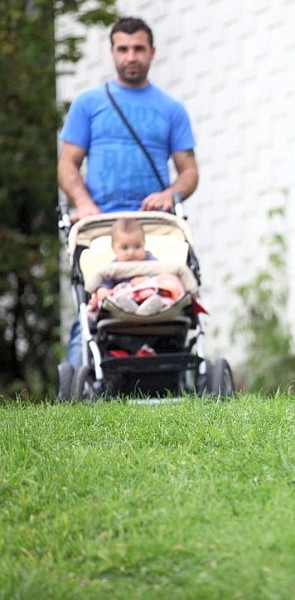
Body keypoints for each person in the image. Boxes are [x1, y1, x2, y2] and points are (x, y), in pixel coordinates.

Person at [58, 16, 198, 367]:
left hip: (150, 226)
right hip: (101, 226)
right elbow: (67, 164)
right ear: (112, 52)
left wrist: (170, 194)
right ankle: (80, 375)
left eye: (138, 49)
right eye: (123, 49)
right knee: (95, 300)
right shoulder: (89, 104)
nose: (131, 57)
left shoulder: (171, 109)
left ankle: (169, 365)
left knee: (165, 296)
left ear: (152, 52)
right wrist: (84, 203)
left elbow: (189, 172)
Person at [88, 218, 185, 317]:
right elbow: (105, 286)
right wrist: (104, 291)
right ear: (114, 248)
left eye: (137, 246)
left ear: (144, 243)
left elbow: (162, 276)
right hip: (124, 298)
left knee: (159, 294)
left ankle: (149, 308)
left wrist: (148, 280)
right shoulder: (111, 268)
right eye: (125, 248)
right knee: (115, 299)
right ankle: (128, 308)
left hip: (147, 295)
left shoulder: (150, 261)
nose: (131, 252)